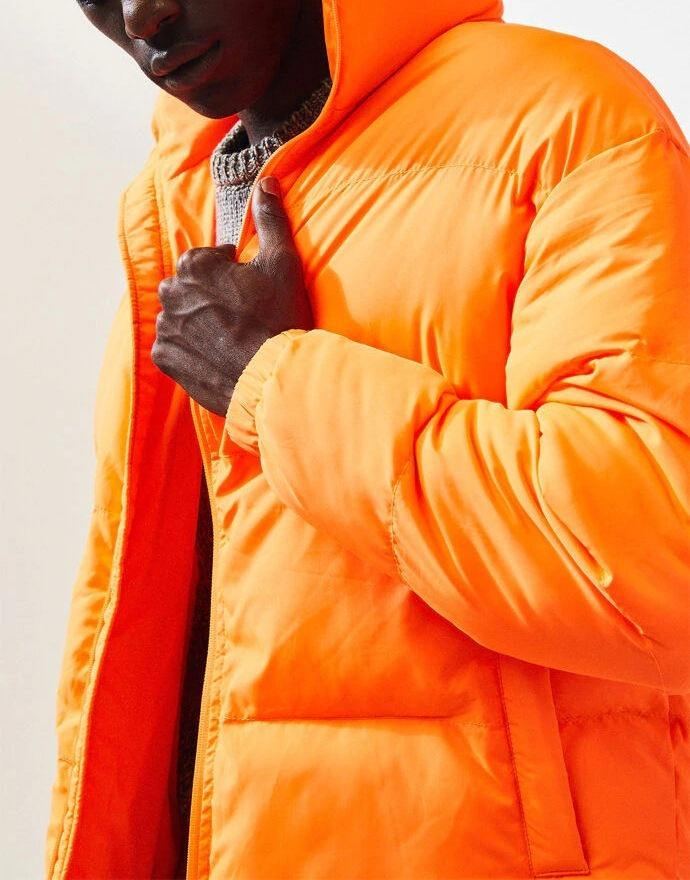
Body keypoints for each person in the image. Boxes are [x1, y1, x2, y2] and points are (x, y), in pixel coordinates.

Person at [46, 0, 690, 877]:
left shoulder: (568, 120)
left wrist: (274, 381)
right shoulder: (178, 197)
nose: (142, 14)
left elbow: (652, 562)